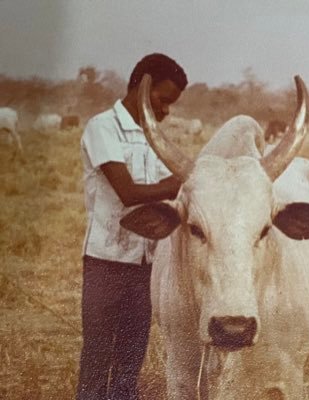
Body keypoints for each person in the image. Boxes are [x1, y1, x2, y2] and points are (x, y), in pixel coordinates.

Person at [76, 53, 188, 400]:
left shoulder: (151, 138)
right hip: (106, 263)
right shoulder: (103, 127)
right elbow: (126, 192)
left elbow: (166, 201)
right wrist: (178, 183)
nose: (166, 111)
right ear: (143, 86)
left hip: (146, 266)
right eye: (164, 100)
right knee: (97, 355)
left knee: (130, 358)